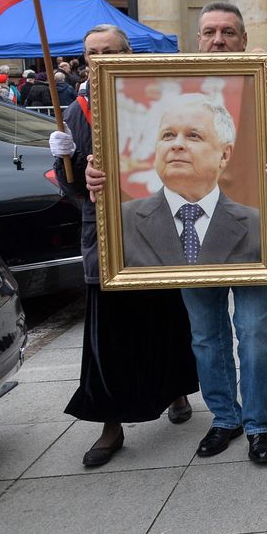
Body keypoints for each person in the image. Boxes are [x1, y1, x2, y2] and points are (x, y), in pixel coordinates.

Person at [85, 1, 267, 466]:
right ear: (197, 39)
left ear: (244, 41)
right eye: (209, 32)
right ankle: (224, 418)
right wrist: (96, 176)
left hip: (251, 240)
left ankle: (258, 425)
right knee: (205, 336)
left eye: (228, 32)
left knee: (253, 333)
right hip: (184, 246)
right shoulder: (173, 87)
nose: (218, 40)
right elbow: (112, 158)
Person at [49, 24, 199, 468]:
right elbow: (70, 185)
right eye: (92, 52)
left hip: (157, 231)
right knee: (108, 335)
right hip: (107, 239)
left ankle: (175, 389)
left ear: (127, 52)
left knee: (167, 316)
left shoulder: (155, 100)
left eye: (109, 50)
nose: (100, 59)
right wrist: (70, 168)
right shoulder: (76, 110)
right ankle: (110, 424)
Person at [120, 94, 260, 267]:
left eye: (193, 136)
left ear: (224, 154)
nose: (176, 144)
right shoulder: (121, 221)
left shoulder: (256, 225)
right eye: (168, 135)